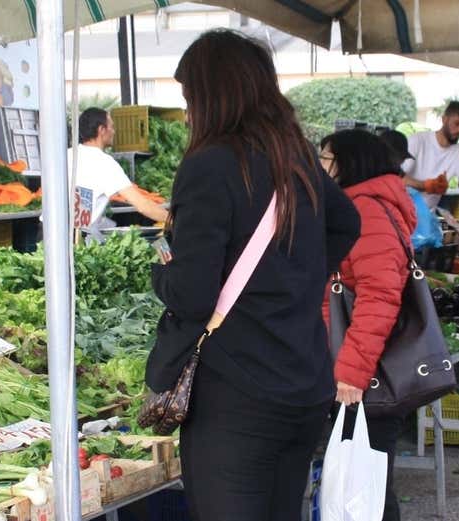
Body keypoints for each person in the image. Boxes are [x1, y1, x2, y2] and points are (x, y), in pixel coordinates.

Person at [144, 29, 360, 521]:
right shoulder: (295, 156)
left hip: (237, 397)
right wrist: (295, 282)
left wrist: (161, 276)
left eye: (189, 98)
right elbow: (347, 222)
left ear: (212, 96)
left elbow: (193, 295)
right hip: (304, 385)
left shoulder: (210, 164)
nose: (188, 114)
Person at [320, 129, 418, 521]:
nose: (320, 166)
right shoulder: (359, 206)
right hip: (361, 363)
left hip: (367, 372)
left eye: (326, 158)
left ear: (349, 163)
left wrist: (352, 372)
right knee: (362, 482)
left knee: (366, 487)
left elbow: (380, 295)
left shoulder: (366, 211)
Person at [69, 108, 168, 226]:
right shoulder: (105, 163)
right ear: (101, 130)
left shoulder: (67, 155)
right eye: (112, 127)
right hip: (80, 233)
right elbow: (142, 206)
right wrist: (174, 221)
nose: (114, 132)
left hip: (56, 231)